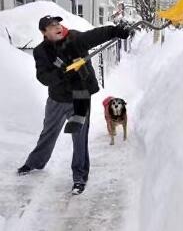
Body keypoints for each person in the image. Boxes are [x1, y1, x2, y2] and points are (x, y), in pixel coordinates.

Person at [17, 15, 132, 195]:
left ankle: (79, 177)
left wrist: (115, 31)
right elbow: (43, 77)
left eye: (58, 23)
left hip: (80, 96)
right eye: (52, 25)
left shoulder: (75, 39)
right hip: (57, 99)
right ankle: (35, 162)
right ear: (44, 32)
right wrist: (60, 74)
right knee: (48, 133)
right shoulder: (41, 52)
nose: (57, 26)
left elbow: (96, 35)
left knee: (79, 138)